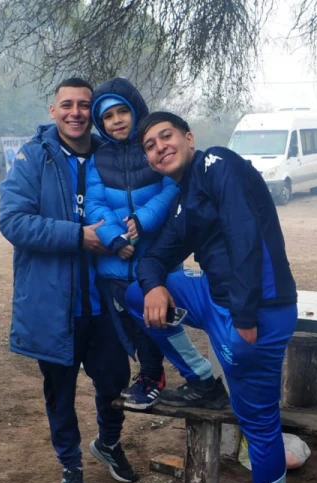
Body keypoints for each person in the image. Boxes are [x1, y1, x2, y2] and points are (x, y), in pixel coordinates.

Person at [129, 111, 298, 483]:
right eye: (149, 144)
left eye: (166, 136)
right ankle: (202, 379)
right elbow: (155, 256)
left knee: (259, 427)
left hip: (258, 311)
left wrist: (245, 317)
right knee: (132, 290)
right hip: (215, 299)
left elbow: (245, 233)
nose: (159, 147)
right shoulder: (186, 200)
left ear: (188, 138)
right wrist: (153, 285)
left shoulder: (218, 165)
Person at [0, 77, 138, 483]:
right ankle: (71, 467)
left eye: (84, 105)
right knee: (59, 391)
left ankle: (109, 442)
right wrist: (79, 236)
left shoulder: (109, 152)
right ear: (52, 109)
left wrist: (135, 223)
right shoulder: (32, 157)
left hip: (105, 303)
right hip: (53, 303)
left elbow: (134, 197)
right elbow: (13, 221)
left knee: (115, 379)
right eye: (67, 105)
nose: (76, 112)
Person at [83, 77, 215, 410]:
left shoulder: (152, 149)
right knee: (134, 323)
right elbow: (95, 202)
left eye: (121, 111)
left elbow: (172, 188)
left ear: (134, 110)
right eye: (107, 116)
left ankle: (188, 375)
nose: (116, 121)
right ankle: (151, 374)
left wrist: (142, 220)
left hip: (155, 256)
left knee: (160, 319)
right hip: (115, 259)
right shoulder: (99, 157)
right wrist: (114, 237)